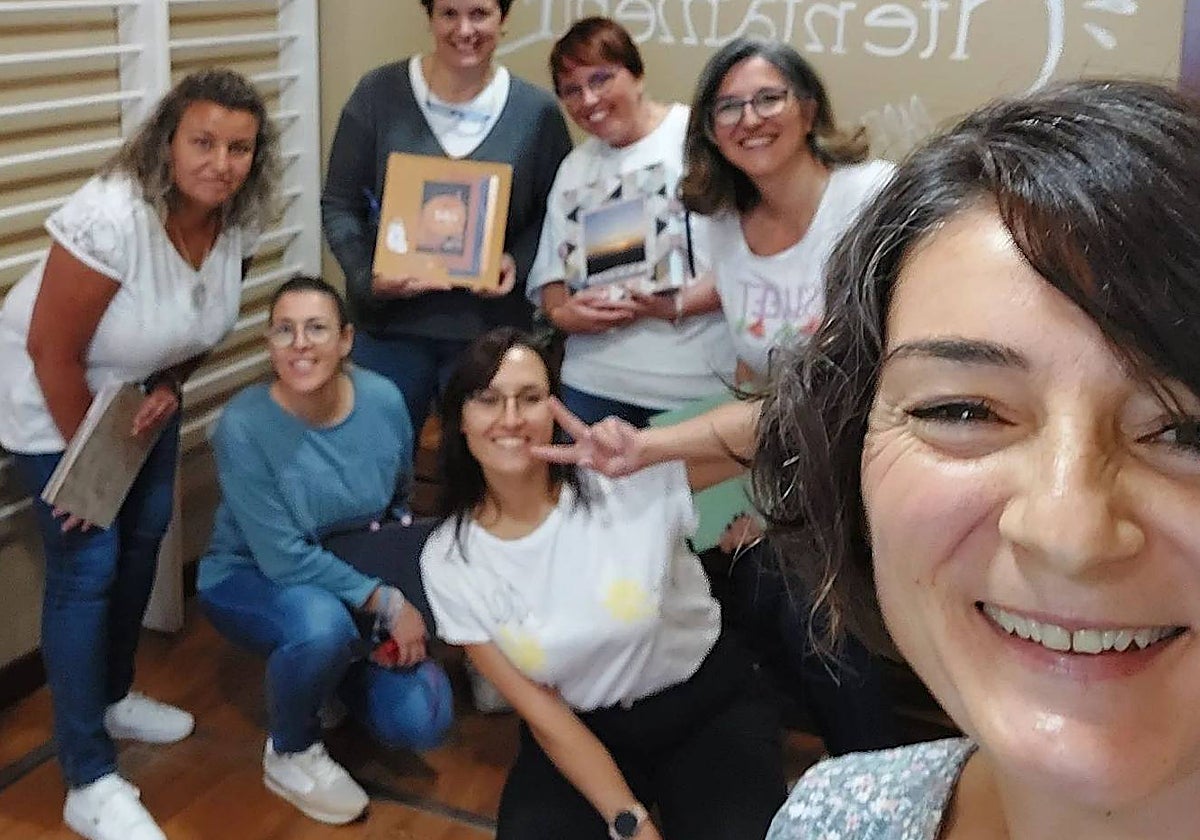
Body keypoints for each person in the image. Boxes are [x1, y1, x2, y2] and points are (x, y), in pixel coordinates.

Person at [553, 79, 1200, 838]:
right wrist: (648, 447)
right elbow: (791, 394)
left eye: (1186, 433)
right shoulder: (830, 816)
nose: (1069, 534)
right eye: (962, 410)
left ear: (808, 107)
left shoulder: (863, 193)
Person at [0, 68, 277, 840]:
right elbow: (51, 350)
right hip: (52, 397)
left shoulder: (237, 217)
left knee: (144, 538)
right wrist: (85, 477)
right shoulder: (112, 215)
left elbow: (201, 319)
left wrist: (169, 383)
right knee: (87, 565)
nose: (221, 162)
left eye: (240, 148)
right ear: (167, 142)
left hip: (138, 397)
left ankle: (112, 696)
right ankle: (86, 778)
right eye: (203, 142)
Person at [419, 328, 785, 840]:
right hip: (583, 726)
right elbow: (545, 717)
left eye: (530, 398)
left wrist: (649, 447)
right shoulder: (449, 558)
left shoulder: (622, 479)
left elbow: (779, 424)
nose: (510, 417)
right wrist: (630, 823)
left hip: (705, 703)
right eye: (488, 399)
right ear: (460, 418)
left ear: (555, 411)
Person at [676, 37, 900, 755]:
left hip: (874, 449)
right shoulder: (721, 225)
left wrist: (777, 504)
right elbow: (756, 376)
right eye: (728, 107)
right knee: (728, 574)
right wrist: (747, 496)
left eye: (768, 98)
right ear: (710, 130)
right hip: (786, 457)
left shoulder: (870, 195)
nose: (750, 118)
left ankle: (872, 771)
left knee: (802, 595)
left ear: (807, 109)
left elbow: (888, 361)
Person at [197, 276, 453, 826]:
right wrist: (384, 602)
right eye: (284, 331)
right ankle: (291, 750)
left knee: (424, 717)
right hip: (254, 575)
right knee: (320, 626)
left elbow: (398, 503)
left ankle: (330, 674)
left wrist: (403, 592)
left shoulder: (384, 401)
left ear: (346, 340)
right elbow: (282, 556)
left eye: (316, 328)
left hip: (355, 567)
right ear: (269, 344)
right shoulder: (242, 426)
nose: (300, 344)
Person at [321, 0, 572, 436]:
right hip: (390, 331)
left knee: (484, 463)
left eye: (480, 13)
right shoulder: (378, 95)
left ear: (503, 19)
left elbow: (556, 215)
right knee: (380, 455)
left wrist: (517, 260)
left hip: (489, 333)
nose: (465, 29)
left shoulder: (537, 113)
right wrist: (367, 275)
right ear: (430, 18)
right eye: (449, 14)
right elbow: (339, 203)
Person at [526, 17, 735, 427]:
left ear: (637, 75)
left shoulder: (700, 140)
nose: (588, 100)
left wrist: (673, 306)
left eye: (601, 79)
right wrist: (566, 315)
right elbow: (552, 285)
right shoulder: (575, 168)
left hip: (693, 383)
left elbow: (751, 256)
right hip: (592, 383)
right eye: (571, 90)